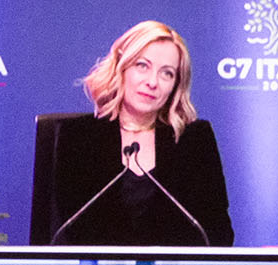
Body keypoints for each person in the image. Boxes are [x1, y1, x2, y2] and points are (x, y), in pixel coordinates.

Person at [42, 19, 234, 247]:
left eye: (167, 74)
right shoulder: (79, 137)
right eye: (142, 66)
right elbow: (68, 234)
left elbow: (217, 234)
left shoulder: (194, 141)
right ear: (121, 67)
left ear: (176, 85)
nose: (153, 82)